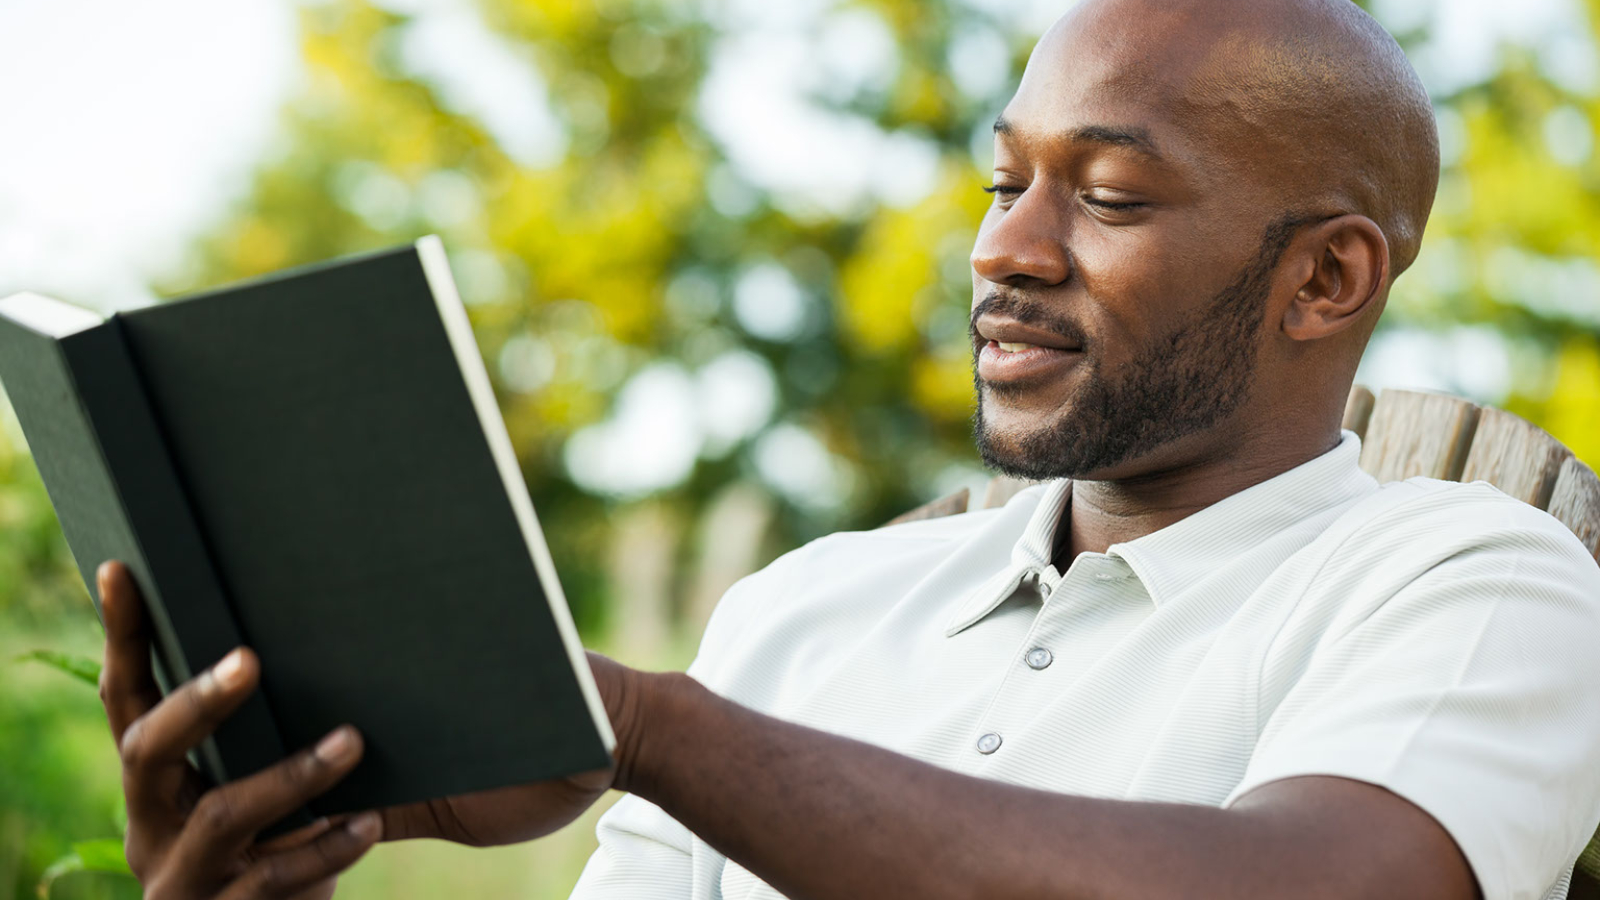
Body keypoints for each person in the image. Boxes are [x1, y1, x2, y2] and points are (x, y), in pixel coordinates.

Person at [94, 0, 1600, 897]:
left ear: (1325, 280)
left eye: (1111, 198)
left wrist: (650, 731)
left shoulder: (1473, 585)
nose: (1005, 249)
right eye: (1005, 181)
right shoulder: (798, 613)